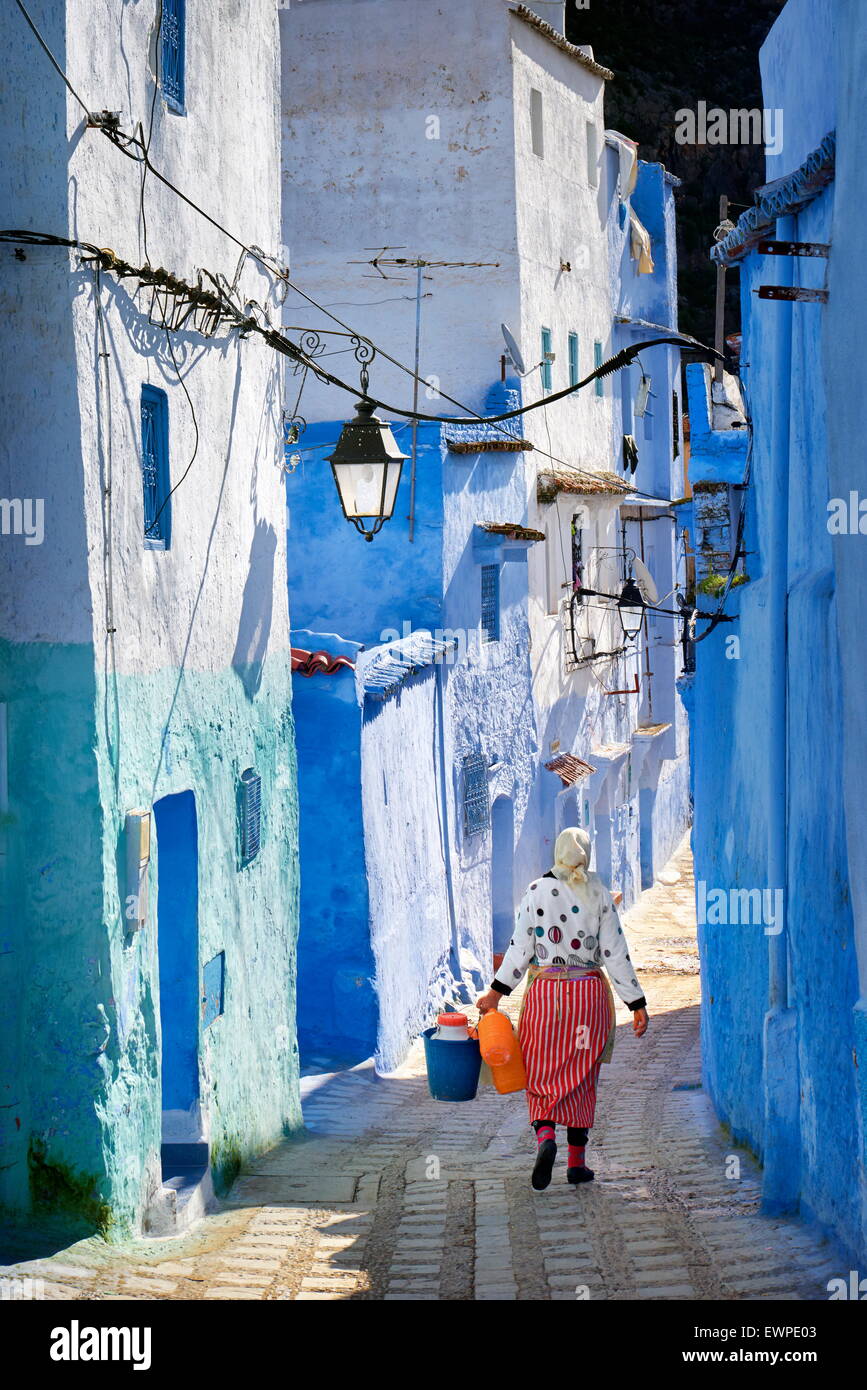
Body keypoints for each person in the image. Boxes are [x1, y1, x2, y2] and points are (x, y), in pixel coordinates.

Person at [476, 827, 649, 1191]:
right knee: (582, 1076)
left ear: (557, 853)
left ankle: (544, 1139)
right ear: (586, 854)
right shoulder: (599, 893)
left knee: (539, 1069)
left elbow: (519, 949)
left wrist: (495, 993)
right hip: (587, 998)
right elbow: (615, 953)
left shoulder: (537, 891)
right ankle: (576, 1164)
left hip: (546, 996)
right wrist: (636, 1003)